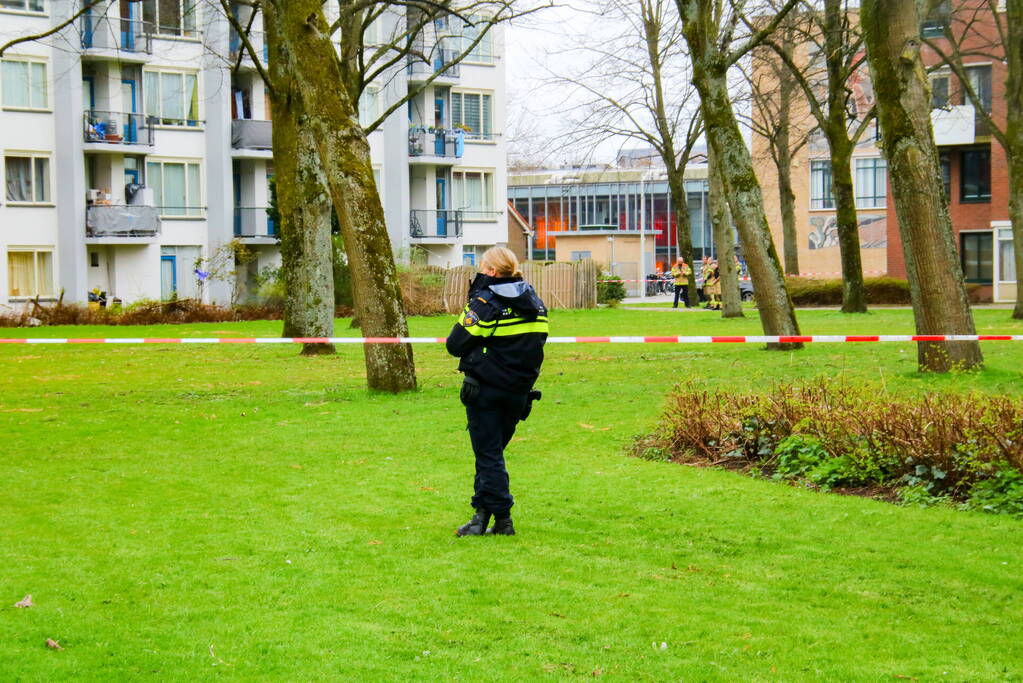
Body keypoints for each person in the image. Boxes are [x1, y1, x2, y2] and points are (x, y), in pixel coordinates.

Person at [446, 246, 549, 537]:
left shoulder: (485, 302)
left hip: (486, 391)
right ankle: (480, 516)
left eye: (482, 267)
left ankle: (503, 519)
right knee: (490, 455)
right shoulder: (536, 303)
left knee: (488, 456)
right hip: (519, 392)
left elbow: (455, 344)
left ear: (491, 271)